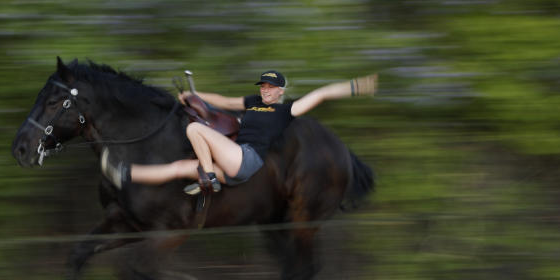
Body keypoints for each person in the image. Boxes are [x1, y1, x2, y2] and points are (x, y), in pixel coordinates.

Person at [101, 69, 377, 195]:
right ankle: (124, 173)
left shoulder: (286, 111)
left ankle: (208, 177)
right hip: (232, 161)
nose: (264, 90)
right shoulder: (252, 103)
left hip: (246, 160)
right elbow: (224, 101)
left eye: (270, 87)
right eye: (263, 86)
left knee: (196, 129)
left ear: (281, 91)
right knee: (180, 167)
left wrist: (355, 87)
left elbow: (322, 93)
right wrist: (194, 95)